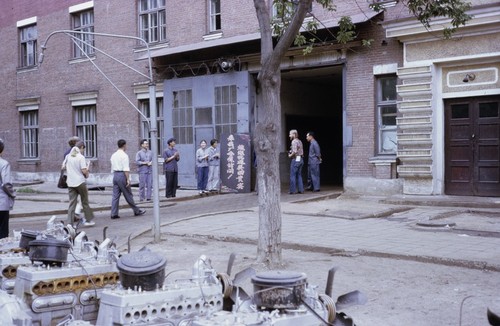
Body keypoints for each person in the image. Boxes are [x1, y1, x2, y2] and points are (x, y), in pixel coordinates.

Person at [110, 139, 146, 219]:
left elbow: (112, 166)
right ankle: (136, 210)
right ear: (124, 145)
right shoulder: (124, 156)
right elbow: (126, 169)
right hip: (122, 175)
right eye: (126, 145)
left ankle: (114, 213)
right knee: (128, 194)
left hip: (115, 175)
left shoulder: (113, 155)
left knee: (115, 196)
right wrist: (128, 179)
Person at [64, 141, 95, 227]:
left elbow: (63, 167)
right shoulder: (81, 157)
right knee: (84, 201)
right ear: (81, 147)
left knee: (72, 203)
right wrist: (87, 171)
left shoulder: (68, 156)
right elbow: (84, 171)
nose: (83, 151)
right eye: (83, 149)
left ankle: (69, 223)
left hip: (70, 182)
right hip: (80, 182)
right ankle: (88, 220)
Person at [63, 136, 83, 217]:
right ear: (75, 143)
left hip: (70, 178)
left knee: (73, 198)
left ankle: (73, 215)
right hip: (77, 178)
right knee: (82, 197)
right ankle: (76, 213)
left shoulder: (66, 153)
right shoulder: (74, 153)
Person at [0, 139, 15, 239]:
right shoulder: (3, 163)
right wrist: (12, 194)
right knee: (2, 232)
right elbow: (6, 183)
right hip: (1, 202)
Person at [288, 129, 304, 194]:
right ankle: (301, 190)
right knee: (299, 175)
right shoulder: (300, 141)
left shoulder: (294, 141)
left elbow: (294, 151)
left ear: (294, 134)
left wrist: (290, 155)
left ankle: (292, 190)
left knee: (292, 175)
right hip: (300, 158)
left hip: (295, 159)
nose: (289, 135)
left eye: (290, 134)